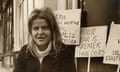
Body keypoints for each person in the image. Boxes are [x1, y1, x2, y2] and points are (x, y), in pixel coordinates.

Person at [13, 7, 76, 72]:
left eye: (45, 28)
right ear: (30, 32)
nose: (40, 32)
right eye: (36, 28)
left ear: (53, 30)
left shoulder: (64, 52)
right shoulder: (25, 53)